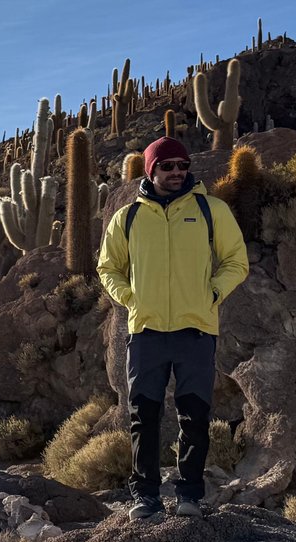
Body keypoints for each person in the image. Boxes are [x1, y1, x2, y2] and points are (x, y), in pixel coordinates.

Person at [97, 136, 249, 519]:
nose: (177, 172)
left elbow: (236, 260)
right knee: (143, 417)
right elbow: (108, 267)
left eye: (182, 165)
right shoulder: (128, 218)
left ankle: (189, 496)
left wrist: (212, 292)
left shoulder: (211, 210)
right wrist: (129, 298)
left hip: (195, 331)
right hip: (146, 332)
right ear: (151, 170)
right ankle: (145, 497)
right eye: (167, 166)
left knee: (194, 417)